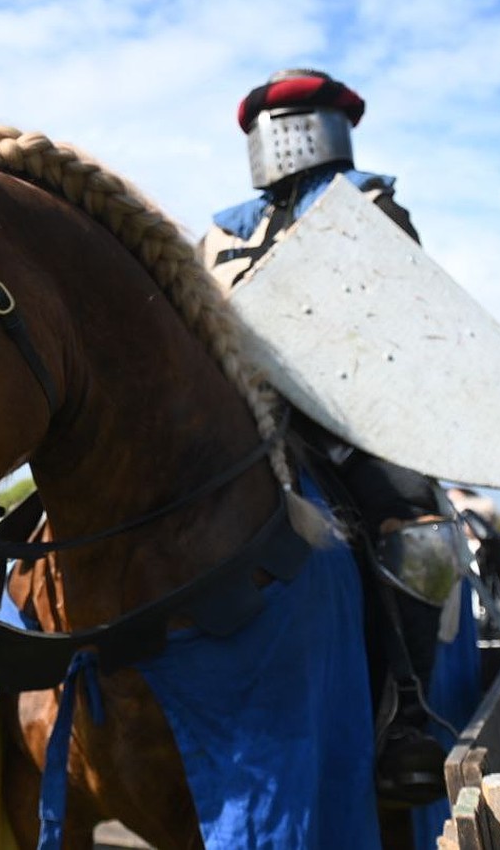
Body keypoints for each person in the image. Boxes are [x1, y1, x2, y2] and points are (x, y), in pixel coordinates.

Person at [201, 69, 466, 806]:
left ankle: (408, 716)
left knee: (418, 530)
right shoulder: (223, 228)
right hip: (246, 416)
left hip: (348, 419)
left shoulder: (373, 203)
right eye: (275, 121)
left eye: (302, 116)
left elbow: (397, 311)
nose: (287, 134)